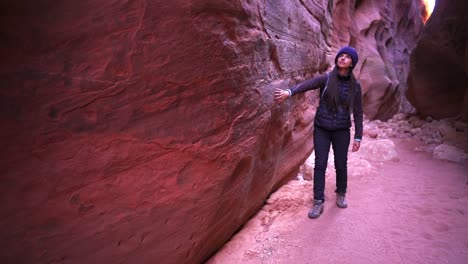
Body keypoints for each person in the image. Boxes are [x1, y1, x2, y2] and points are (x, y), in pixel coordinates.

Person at [274, 46, 363, 219]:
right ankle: (318, 201)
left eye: (347, 57)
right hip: (322, 128)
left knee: (340, 163)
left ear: (352, 63)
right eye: (341, 56)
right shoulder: (327, 79)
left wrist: (358, 136)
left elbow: (358, 112)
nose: (342, 58)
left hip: (342, 130)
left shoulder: (356, 86)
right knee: (320, 164)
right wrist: (289, 92)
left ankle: (341, 192)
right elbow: (308, 84)